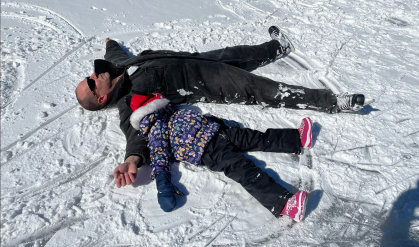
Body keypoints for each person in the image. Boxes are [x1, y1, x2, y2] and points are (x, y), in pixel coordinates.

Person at [75, 26, 367, 174]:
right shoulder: (128, 102)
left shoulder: (119, 68)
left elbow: (115, 55)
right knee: (261, 88)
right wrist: (131, 160)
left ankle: (278, 46)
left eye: (89, 76)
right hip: (209, 83)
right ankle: (330, 101)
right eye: (90, 82)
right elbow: (134, 133)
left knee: (238, 53)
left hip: (198, 60)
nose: (93, 75)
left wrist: (110, 43)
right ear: (101, 99)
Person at [115, 92, 312, 221]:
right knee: (244, 170)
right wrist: (164, 189)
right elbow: (159, 160)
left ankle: (296, 139)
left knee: (258, 137)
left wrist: (224, 123)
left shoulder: (172, 113)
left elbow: (202, 119)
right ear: (152, 107)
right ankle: (285, 204)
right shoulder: (156, 131)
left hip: (221, 131)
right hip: (208, 151)